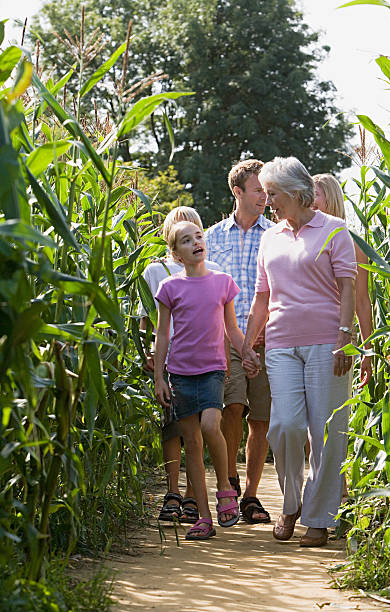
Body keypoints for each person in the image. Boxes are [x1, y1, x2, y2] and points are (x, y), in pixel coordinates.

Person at [242, 156, 357, 547]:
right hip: (280, 344)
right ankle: (291, 504)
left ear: (295, 192)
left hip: (327, 342)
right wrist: (246, 344)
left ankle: (319, 518)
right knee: (285, 426)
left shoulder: (335, 230)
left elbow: (348, 291)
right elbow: (262, 297)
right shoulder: (269, 237)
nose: (268, 202)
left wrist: (346, 338)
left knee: (326, 432)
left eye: (273, 194)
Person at [154, 221, 257, 540]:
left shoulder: (223, 283)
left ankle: (225, 485)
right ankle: (203, 516)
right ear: (176, 254)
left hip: (214, 370)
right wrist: (159, 376)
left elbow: (232, 329)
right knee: (193, 445)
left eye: (198, 236)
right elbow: (162, 333)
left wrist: (247, 352)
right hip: (180, 374)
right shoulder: (169, 288)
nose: (196, 242)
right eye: (186, 240)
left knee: (211, 426)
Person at [140, 207, 220, 524]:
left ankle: (191, 493)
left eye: (195, 230)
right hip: (168, 359)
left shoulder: (211, 268)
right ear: (170, 239)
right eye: (178, 231)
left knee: (197, 429)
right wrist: (149, 358)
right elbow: (147, 322)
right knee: (171, 427)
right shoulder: (154, 271)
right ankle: (172, 491)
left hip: (203, 359)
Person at [205, 159, 274, 524]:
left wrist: (263, 330)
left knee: (260, 419)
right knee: (232, 407)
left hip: (266, 335)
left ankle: (250, 496)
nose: (265, 196)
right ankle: (229, 481)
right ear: (238, 192)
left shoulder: (277, 235)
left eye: (266, 190)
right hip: (227, 335)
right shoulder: (212, 237)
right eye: (258, 190)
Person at [313, 173, 373, 386]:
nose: (308, 201)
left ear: (331, 198)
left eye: (314, 195)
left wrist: (368, 350)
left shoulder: (353, 244)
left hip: (338, 335)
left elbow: (362, 301)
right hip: (302, 335)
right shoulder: (299, 240)